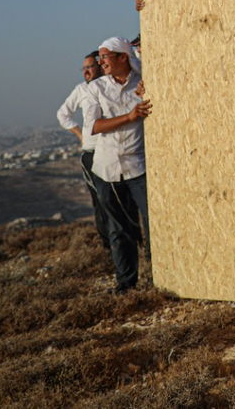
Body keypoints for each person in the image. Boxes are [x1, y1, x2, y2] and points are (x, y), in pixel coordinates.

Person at [86, 36, 153, 292]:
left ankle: (162, 279)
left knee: (153, 225)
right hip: (107, 169)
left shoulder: (144, 82)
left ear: (123, 57)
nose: (100, 62)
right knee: (118, 230)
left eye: (105, 57)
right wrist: (129, 115)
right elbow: (94, 126)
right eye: (100, 58)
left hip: (139, 166)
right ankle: (127, 286)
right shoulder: (97, 89)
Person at [54, 51, 112, 249]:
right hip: (92, 153)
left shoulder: (111, 86)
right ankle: (108, 245)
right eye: (84, 68)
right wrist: (80, 135)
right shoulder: (81, 90)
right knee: (100, 200)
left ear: (100, 66)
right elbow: (63, 114)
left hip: (113, 150)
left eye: (90, 67)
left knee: (120, 199)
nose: (86, 72)